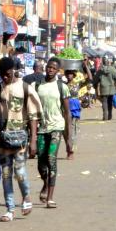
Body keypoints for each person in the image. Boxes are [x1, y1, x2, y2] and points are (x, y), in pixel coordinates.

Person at [0, 56, 41, 222]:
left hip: (21, 139)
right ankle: (9, 209)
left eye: (7, 74)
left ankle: (26, 197)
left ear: (13, 71)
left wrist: (33, 141)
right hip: (3, 139)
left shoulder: (25, 88)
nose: (5, 77)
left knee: (20, 172)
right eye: (2, 74)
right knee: (6, 174)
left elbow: (33, 116)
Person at [35, 58, 73, 208]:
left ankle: (50, 197)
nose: (50, 70)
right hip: (41, 128)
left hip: (57, 126)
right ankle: (45, 183)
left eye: (53, 68)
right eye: (49, 67)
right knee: (41, 163)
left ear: (58, 71)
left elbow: (67, 112)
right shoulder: (37, 85)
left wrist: (68, 137)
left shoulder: (62, 87)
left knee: (51, 159)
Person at [94, 56, 116, 122]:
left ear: (102, 62)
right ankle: (110, 116)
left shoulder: (100, 70)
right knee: (110, 102)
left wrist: (95, 87)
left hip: (103, 89)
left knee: (104, 103)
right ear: (108, 62)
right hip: (111, 88)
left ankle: (105, 116)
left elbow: (95, 80)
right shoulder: (112, 69)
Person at [64, 69, 82, 150]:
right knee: (69, 125)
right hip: (67, 106)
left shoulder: (77, 84)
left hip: (75, 106)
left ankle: (73, 143)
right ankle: (70, 142)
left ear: (73, 75)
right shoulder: (64, 85)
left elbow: (90, 78)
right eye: (67, 74)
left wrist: (85, 66)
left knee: (74, 125)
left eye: (70, 74)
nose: (69, 76)